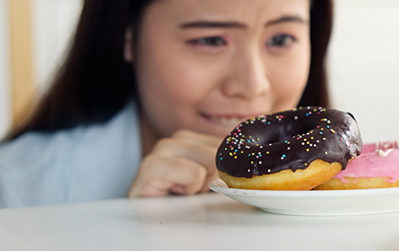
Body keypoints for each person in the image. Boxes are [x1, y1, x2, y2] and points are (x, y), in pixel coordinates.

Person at [0, 0, 333, 208]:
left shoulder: (352, 191)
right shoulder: (19, 191)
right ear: (127, 37)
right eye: (210, 40)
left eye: (280, 39)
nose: (252, 86)